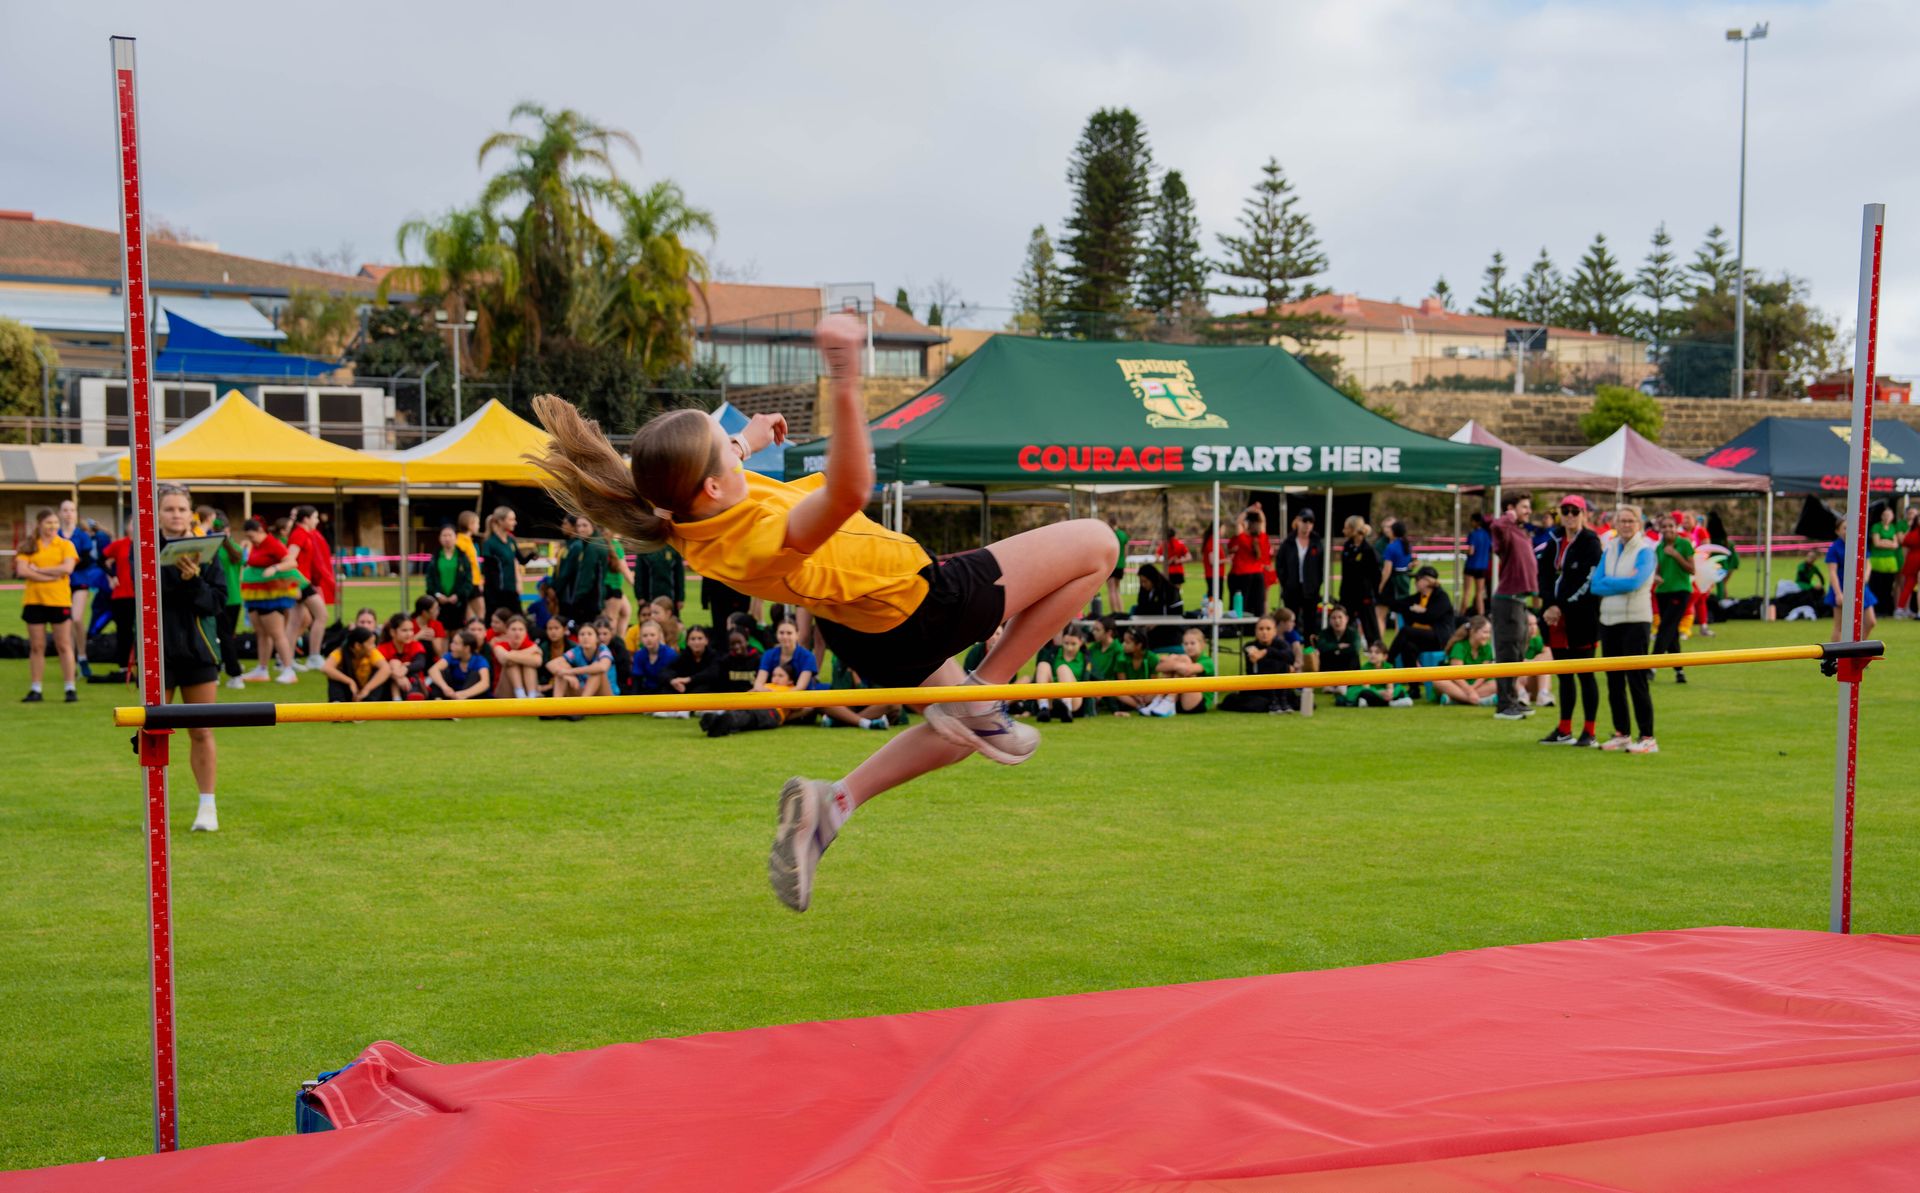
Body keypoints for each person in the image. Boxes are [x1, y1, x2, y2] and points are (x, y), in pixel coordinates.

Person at [532, 314, 1117, 913]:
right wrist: (844, 377)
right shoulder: (759, 539)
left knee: (958, 734)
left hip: (860, 630)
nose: (733, 445)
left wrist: (746, 442)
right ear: (712, 485)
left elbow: (715, 470)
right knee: (1098, 546)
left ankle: (833, 804)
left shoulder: (681, 516)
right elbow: (849, 491)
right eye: (724, 445)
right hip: (917, 604)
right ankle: (987, 694)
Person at [150, 484, 229, 828]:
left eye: (182, 509)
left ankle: (207, 808)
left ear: (191, 513)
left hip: (199, 652)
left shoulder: (207, 550)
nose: (176, 515)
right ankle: (155, 808)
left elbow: (215, 603)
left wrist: (193, 580)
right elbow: (145, 596)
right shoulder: (145, 549)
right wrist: (179, 577)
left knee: (201, 730)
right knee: (154, 733)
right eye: (169, 509)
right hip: (158, 653)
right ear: (156, 513)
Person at [1589, 505, 1659, 754]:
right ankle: (1622, 732)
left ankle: (1647, 736)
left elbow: (1635, 583)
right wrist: (1615, 583)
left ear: (1639, 524)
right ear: (1615, 524)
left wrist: (1610, 582)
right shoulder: (1610, 549)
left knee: (1636, 680)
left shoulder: (1645, 551)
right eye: (1622, 521)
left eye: (1631, 521)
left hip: (1635, 620)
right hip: (1609, 621)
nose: (1626, 525)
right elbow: (1595, 585)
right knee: (1614, 681)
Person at [1537, 495, 1604, 747]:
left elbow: (1587, 581)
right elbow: (1543, 574)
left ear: (1584, 514)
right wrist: (1549, 605)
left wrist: (1561, 607)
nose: (1569, 516)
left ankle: (1590, 731)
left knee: (1585, 675)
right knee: (1564, 675)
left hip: (1582, 619)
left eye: (1575, 511)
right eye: (1565, 511)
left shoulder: (1591, 542)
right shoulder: (1554, 539)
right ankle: (1564, 729)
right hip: (1556, 620)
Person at [16, 507, 79, 702]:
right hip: (35, 601)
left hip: (59, 600)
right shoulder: (29, 545)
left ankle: (70, 688)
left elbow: (67, 568)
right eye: (48, 523)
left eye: (55, 523)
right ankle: (36, 689)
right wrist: (51, 575)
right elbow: (23, 571)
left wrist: (39, 570)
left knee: (63, 644)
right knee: (37, 646)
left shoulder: (65, 545)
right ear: (39, 524)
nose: (52, 526)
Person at [1487, 495, 1539, 720]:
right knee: (1507, 653)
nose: (1529, 511)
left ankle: (1513, 699)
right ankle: (1504, 705)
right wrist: (1508, 516)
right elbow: (1496, 526)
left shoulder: (1519, 531)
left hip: (1519, 601)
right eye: (1524, 507)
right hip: (1506, 600)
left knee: (1517, 654)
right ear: (1510, 508)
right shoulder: (1505, 529)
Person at [238, 517, 300, 685]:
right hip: (255, 595)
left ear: (260, 531)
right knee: (261, 633)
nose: (251, 540)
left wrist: (274, 568)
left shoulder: (273, 544)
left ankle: (288, 669)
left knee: (276, 633)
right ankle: (262, 669)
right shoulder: (256, 545)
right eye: (248, 537)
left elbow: (291, 562)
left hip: (271, 596)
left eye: (252, 536)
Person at [197, 507, 248, 690]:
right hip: (235, 599)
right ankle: (224, 669)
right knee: (226, 637)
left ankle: (233, 673)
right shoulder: (235, 548)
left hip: (219, 599)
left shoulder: (212, 549)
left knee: (221, 637)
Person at [57, 500, 107, 678]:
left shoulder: (82, 535)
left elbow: (87, 560)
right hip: (60, 583)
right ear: (60, 513)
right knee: (66, 623)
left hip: (80, 581)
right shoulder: (56, 535)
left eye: (71, 510)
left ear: (76, 513)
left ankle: (83, 656)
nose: (68, 513)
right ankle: (71, 660)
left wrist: (67, 564)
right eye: (65, 510)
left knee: (77, 618)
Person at [1650, 511, 1695, 684]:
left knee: (1665, 627)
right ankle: (1679, 671)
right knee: (1671, 632)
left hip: (1680, 591)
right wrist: (1656, 577)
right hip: (1663, 592)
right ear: (1660, 529)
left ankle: (1651, 666)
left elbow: (1692, 569)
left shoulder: (1684, 544)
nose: (1668, 529)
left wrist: (1676, 555)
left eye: (1671, 526)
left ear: (1676, 528)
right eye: (1664, 527)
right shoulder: (1659, 547)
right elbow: (1658, 570)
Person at [286, 505, 333, 668]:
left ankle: (286, 659)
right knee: (321, 615)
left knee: (297, 622)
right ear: (306, 519)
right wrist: (296, 585)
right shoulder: (299, 534)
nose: (317, 521)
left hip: (302, 582)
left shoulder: (305, 534)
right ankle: (313, 655)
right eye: (315, 517)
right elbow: (289, 560)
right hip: (300, 583)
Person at [1219, 615, 1291, 713]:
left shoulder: (1281, 644)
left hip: (1280, 687)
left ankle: (1279, 701)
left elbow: (1290, 656)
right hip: (1258, 688)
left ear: (1275, 631)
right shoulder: (1250, 646)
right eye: (1261, 629)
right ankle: (1273, 702)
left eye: (1268, 629)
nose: (1264, 632)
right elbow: (1255, 667)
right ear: (1256, 631)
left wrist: (1266, 652)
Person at [1386, 565, 1454, 668]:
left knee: (1406, 631)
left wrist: (1418, 612)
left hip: (1439, 638)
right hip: (1422, 638)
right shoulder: (1418, 597)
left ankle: (1388, 662)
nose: (1415, 582)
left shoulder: (1441, 597)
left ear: (1427, 581)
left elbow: (1429, 617)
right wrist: (1412, 608)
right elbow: (1397, 605)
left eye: (1418, 579)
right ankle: (1412, 678)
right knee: (1408, 647)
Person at [1827, 516, 1880, 642]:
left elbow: (1868, 563)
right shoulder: (1834, 548)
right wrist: (1838, 593)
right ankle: (1836, 653)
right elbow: (1832, 572)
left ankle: (1855, 649)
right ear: (1838, 531)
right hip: (1842, 587)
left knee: (1870, 622)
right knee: (1839, 626)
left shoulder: (1859, 544)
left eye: (1850, 528)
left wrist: (1865, 576)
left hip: (1860, 587)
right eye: (1844, 528)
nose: (1848, 531)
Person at [1274, 506, 1324, 637]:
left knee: (1310, 621)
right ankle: (1291, 645)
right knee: (1290, 620)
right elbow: (1280, 564)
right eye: (1304, 521)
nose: (1307, 525)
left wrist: (1317, 583)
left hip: (1311, 589)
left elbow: (1321, 565)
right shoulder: (1289, 542)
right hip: (1292, 589)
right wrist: (1286, 583)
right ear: (1298, 521)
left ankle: (1309, 646)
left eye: (1310, 522)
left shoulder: (1316, 542)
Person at [817, 656, 902, 730]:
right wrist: (849, 673)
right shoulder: (841, 663)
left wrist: (857, 681)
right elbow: (838, 693)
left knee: (894, 703)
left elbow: (878, 695)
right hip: (848, 705)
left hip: (871, 707)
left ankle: (844, 721)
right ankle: (867, 723)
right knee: (822, 700)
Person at [99, 530, 138, 680]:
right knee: (124, 631)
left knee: (146, 632)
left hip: (144, 594)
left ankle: (144, 665)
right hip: (123, 594)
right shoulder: (120, 544)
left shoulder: (150, 543)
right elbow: (101, 560)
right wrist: (112, 575)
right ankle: (124, 666)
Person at [1434, 615, 1497, 707]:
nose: (1488, 636)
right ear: (1473, 631)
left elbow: (1484, 674)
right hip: (1457, 684)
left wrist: (1472, 689)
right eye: (1485, 632)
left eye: (1489, 633)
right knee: (1438, 681)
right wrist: (1469, 691)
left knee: (1496, 684)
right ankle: (1480, 701)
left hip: (1476, 685)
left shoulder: (1487, 648)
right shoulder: (1459, 646)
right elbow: (1456, 675)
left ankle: (1455, 699)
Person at [1154, 626, 1216, 714]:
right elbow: (1158, 667)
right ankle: (1159, 701)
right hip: (1180, 699)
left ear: (1203, 644)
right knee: (1177, 660)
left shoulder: (1207, 661)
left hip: (1198, 702)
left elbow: (1187, 670)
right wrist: (1173, 661)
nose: (1189, 647)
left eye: (1192, 643)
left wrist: (1172, 663)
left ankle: (1169, 700)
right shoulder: (1182, 658)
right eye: (1185, 644)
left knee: (1182, 662)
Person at [425, 525, 476, 633]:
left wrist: (458, 595)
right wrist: (437, 594)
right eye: (444, 535)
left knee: (457, 631)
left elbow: (468, 579)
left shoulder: (462, 557)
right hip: (439, 602)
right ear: (440, 538)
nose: (447, 538)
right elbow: (430, 579)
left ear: (455, 538)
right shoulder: (435, 557)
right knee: (441, 632)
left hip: (458, 602)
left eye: (450, 535)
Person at [1338, 516, 1380, 646]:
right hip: (1347, 595)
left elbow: (1375, 574)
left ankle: (1376, 652)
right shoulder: (1347, 547)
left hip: (1364, 595)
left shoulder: (1368, 550)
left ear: (1353, 529)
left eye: (1346, 528)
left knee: (1370, 628)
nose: (1343, 531)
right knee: (1344, 627)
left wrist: (1374, 594)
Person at [1336, 639, 1415, 708]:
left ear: (1385, 656)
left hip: (1383, 691)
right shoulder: (1366, 668)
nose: (1372, 655)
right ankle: (1390, 703)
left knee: (1399, 690)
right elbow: (1366, 688)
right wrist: (1380, 693)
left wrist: (1389, 693)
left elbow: (1390, 687)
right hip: (1372, 691)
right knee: (1364, 693)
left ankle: (1385, 702)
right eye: (1370, 652)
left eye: (1377, 652)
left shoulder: (1388, 667)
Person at [322, 626, 391, 704]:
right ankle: (337, 702)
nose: (374, 646)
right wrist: (350, 681)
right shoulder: (340, 652)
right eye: (370, 643)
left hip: (367, 692)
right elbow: (326, 668)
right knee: (335, 675)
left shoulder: (372, 652)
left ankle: (369, 703)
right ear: (357, 645)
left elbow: (386, 669)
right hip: (349, 691)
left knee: (379, 673)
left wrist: (366, 689)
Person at [548, 619, 614, 701]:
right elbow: (551, 664)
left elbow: (603, 667)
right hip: (585, 690)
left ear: (597, 638)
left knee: (596, 671)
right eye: (582, 634)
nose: (585, 637)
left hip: (606, 696)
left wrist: (571, 672)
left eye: (589, 634)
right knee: (561, 669)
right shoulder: (577, 650)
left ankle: (583, 704)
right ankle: (557, 705)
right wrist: (567, 675)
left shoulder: (603, 649)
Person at [1225, 505, 1271, 618]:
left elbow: (1238, 523)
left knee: (1241, 604)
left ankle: (1240, 625)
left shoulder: (1243, 538)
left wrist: (1248, 510)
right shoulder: (1263, 538)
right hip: (1258, 575)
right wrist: (1259, 511)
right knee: (1258, 604)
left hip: (1242, 575)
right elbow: (1263, 522)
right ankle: (1257, 624)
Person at [479, 505, 523, 618]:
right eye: (511, 519)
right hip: (496, 593)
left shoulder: (511, 540)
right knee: (496, 620)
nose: (515, 522)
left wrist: (532, 555)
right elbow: (488, 570)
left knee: (518, 619)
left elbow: (520, 560)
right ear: (500, 521)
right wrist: (495, 591)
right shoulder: (489, 543)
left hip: (511, 590)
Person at [1038, 626, 1089, 722]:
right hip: (1053, 695)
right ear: (1062, 641)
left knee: (1063, 668)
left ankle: (1067, 708)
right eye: (1066, 643)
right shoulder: (1053, 653)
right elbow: (1038, 677)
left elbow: (1095, 678)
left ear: (1080, 642)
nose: (1069, 648)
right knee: (1043, 665)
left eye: (1073, 644)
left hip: (1075, 697)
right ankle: (1043, 707)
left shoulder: (1085, 657)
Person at [491, 615, 548, 700]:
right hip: (504, 690)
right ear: (507, 631)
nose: (517, 633)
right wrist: (529, 651)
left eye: (521, 629)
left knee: (527, 663)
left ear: (525, 632)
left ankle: (531, 695)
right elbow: (504, 658)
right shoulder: (499, 646)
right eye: (513, 629)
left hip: (528, 688)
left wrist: (512, 655)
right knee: (511, 663)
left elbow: (538, 661)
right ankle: (520, 693)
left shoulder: (529, 645)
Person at [377, 612, 432, 700]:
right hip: (388, 689)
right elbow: (380, 668)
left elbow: (420, 663)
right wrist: (398, 677)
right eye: (404, 630)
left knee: (402, 665)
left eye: (411, 630)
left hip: (415, 686)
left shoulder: (415, 645)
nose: (409, 634)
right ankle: (397, 699)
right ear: (392, 632)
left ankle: (401, 698)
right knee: (393, 663)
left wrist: (405, 668)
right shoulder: (383, 648)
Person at [1107, 625, 1160, 715]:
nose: (1123, 644)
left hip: (1147, 692)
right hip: (1129, 693)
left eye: (1127, 642)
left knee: (1158, 690)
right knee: (1116, 690)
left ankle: (1150, 706)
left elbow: (1153, 682)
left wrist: (1144, 694)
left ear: (1139, 645)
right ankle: (1140, 708)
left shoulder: (1152, 658)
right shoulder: (1121, 658)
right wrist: (1135, 695)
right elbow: (1123, 683)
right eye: (1123, 641)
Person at [1376, 518, 1414, 643]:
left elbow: (1387, 570)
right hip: (1404, 581)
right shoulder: (1407, 545)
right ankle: (1401, 643)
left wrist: (1380, 585)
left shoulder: (1391, 547)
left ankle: (1379, 644)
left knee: (1380, 614)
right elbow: (1409, 564)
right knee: (1400, 617)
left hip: (1392, 583)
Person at [1130, 562, 1185, 649]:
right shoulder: (1143, 592)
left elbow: (1177, 614)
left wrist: (1157, 623)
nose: (1143, 585)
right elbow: (1141, 610)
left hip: (1168, 631)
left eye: (1145, 581)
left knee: (1140, 641)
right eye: (1141, 582)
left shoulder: (1170, 591)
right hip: (1148, 630)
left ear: (1152, 579)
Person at [428, 630, 493, 700]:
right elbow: (433, 670)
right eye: (452, 642)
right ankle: (438, 700)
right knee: (441, 673)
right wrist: (445, 687)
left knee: (475, 675)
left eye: (456, 643)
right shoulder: (450, 656)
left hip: (469, 697)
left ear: (467, 648)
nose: (451, 646)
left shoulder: (479, 660)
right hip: (451, 694)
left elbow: (485, 683)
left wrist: (464, 694)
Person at [755, 619, 818, 691]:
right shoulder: (768, 655)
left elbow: (800, 687)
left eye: (789, 633)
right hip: (773, 694)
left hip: (801, 696)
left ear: (797, 635)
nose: (785, 637)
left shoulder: (808, 656)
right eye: (781, 633)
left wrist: (779, 695)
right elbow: (758, 684)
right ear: (776, 634)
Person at [668, 625, 724, 696]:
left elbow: (713, 673)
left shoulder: (714, 656)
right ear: (687, 642)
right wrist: (672, 681)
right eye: (693, 639)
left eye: (700, 638)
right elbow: (667, 671)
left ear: (706, 641)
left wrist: (689, 679)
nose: (696, 642)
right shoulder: (683, 656)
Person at [1867, 503, 1903, 614]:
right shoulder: (1876, 527)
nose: (1887, 517)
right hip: (1877, 561)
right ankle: (1876, 610)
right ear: (1882, 516)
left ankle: (1886, 609)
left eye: (1889, 515)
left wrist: (1884, 541)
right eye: (1885, 515)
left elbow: (1895, 544)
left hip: (1890, 562)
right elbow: (1877, 543)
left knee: (1888, 587)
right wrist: (1889, 543)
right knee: (1877, 586)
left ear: (1892, 516)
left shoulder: (1893, 527)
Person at [628, 619, 679, 697]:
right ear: (640, 638)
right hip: (647, 692)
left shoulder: (670, 654)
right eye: (645, 636)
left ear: (659, 636)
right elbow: (637, 680)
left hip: (666, 692)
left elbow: (672, 678)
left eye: (652, 635)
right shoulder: (639, 655)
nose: (649, 639)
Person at [454, 509, 486, 622]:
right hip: (470, 582)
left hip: (474, 582)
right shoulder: (460, 542)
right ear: (470, 524)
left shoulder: (469, 541)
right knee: (480, 613)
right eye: (477, 523)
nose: (478, 526)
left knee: (471, 614)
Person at [1463, 511, 1493, 617]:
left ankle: (1462, 615)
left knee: (1467, 592)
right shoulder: (1487, 535)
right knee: (1479, 593)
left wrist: (1464, 551)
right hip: (1482, 567)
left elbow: (1471, 551)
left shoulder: (1473, 534)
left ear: (1475, 522)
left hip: (1471, 566)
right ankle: (1481, 617)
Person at [1104, 514, 1131, 615]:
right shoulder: (1123, 535)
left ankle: (1114, 612)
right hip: (1121, 565)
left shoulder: (1110, 534)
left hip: (1112, 564)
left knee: (1111, 590)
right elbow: (1126, 552)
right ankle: (1121, 610)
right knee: (1117, 590)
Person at [1158, 525, 1189, 595]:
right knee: (1177, 593)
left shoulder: (1164, 544)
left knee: (1167, 592)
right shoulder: (1179, 544)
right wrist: (1179, 561)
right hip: (1178, 571)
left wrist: (1166, 562)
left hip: (1167, 571)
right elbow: (1189, 557)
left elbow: (1157, 557)